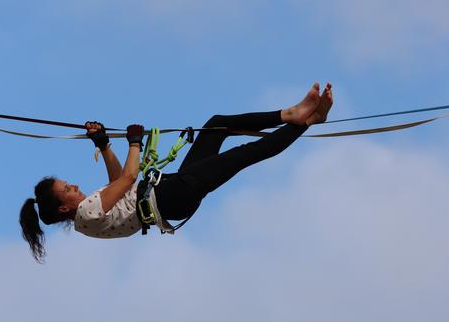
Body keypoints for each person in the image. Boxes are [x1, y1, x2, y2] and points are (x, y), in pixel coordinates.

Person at [20, 82, 333, 262]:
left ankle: (289, 114)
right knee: (241, 156)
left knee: (215, 126)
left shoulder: (90, 210)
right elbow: (129, 178)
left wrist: (103, 144)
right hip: (169, 198)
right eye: (67, 189)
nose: (74, 185)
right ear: (63, 207)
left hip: (169, 192)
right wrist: (134, 142)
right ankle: (305, 122)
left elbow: (118, 183)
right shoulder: (85, 215)